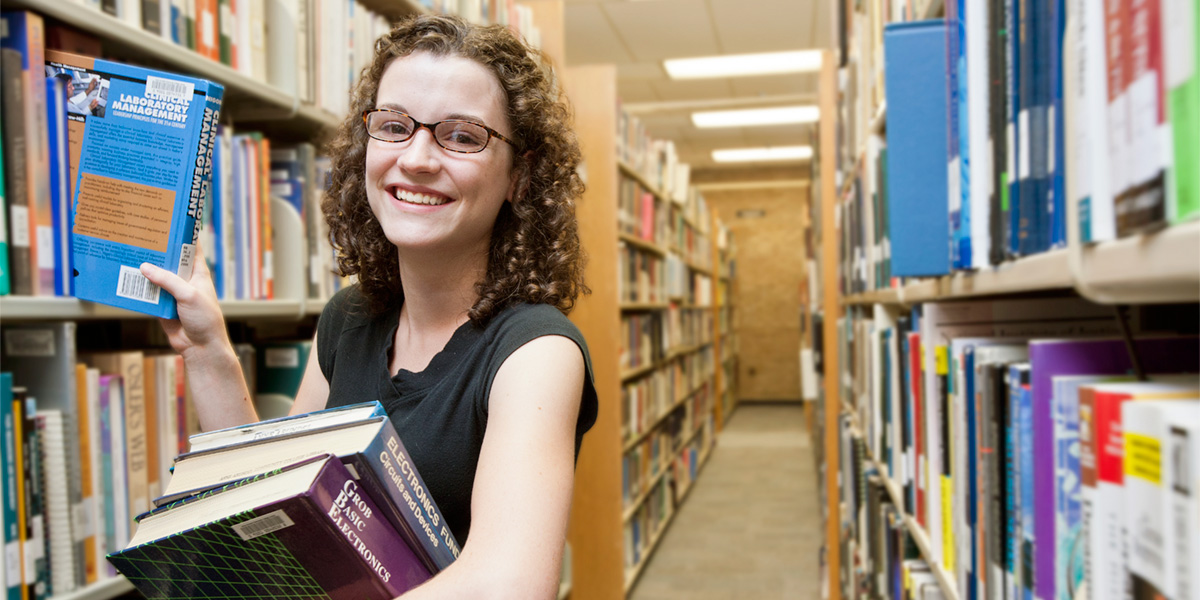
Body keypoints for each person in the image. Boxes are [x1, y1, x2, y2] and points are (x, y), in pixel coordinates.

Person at [139, 13, 598, 599]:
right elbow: (277, 507)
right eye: (394, 126)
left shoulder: (536, 352)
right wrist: (208, 351)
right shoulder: (347, 318)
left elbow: (508, 584)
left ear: (521, 175)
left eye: (462, 136)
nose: (418, 158)